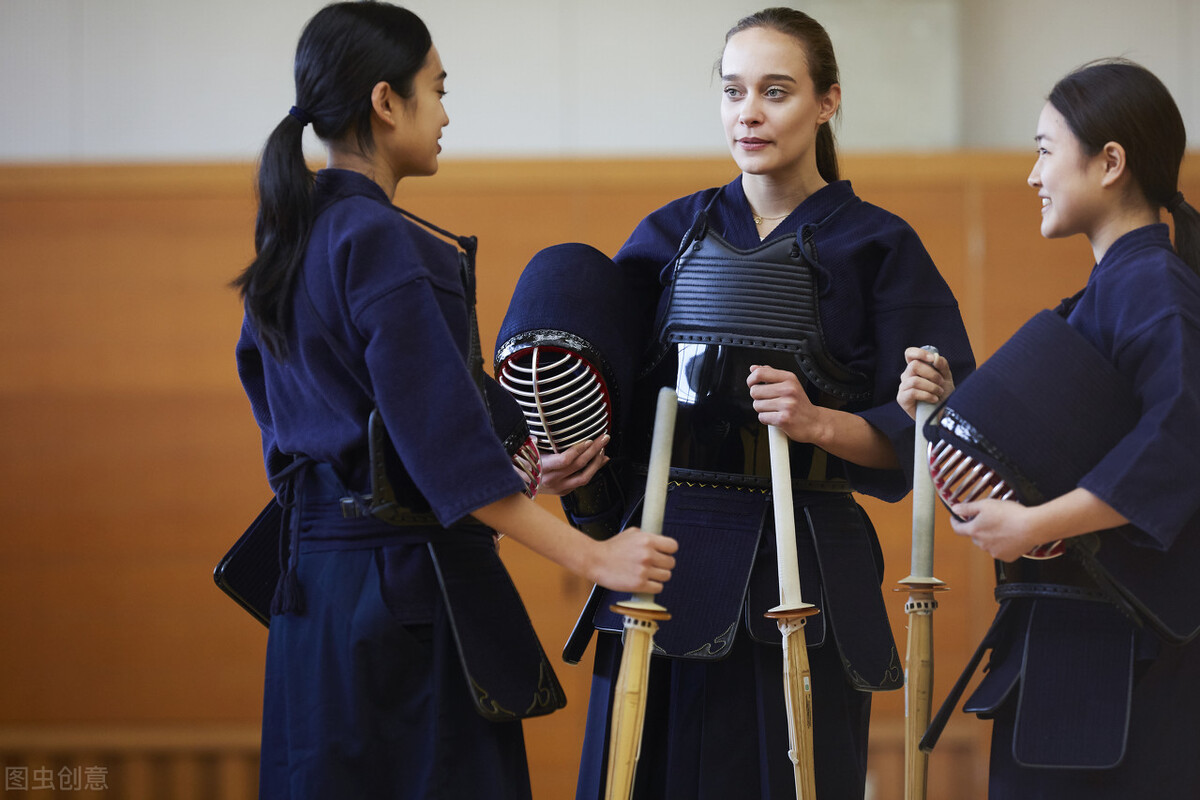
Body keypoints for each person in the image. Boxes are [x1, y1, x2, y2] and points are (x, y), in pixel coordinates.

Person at [231, 4, 677, 798]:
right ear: (384, 101)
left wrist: (512, 485)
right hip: (399, 604)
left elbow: (364, 445)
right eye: (435, 89)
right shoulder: (379, 240)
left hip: (314, 602)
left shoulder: (293, 235)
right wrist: (595, 556)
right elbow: (442, 453)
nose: (444, 112)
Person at [535, 8, 974, 798]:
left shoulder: (881, 246)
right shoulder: (668, 235)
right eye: (734, 91)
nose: (750, 112)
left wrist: (817, 421)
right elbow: (612, 400)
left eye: (776, 92)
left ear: (827, 101)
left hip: (806, 562)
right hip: (666, 558)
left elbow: (922, 433)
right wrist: (572, 457)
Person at [900, 59, 1200, 797]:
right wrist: (951, 406)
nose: (1032, 174)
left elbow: (1180, 441)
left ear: (1109, 163)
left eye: (1044, 150)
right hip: (1075, 641)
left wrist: (1036, 523)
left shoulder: (1154, 287)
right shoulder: (1112, 289)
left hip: (1128, 656)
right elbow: (1066, 431)